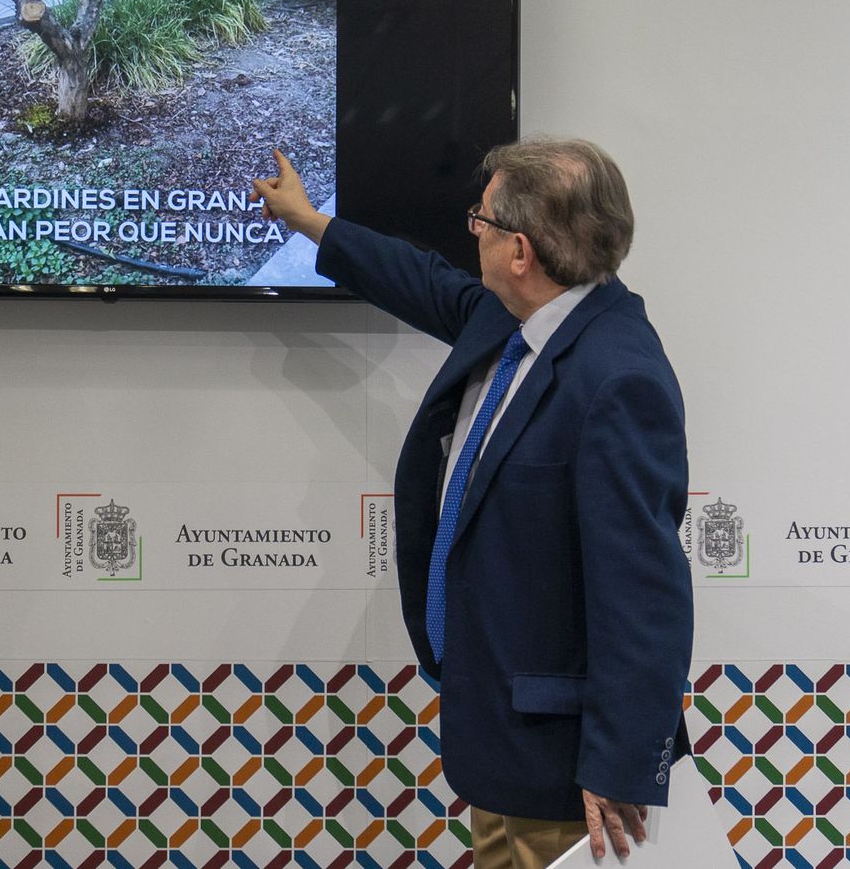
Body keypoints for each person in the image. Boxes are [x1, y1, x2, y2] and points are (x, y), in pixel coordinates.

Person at [255, 139, 693, 869]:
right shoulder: (517, 320)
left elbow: (644, 597)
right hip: (502, 747)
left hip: (569, 781)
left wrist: (618, 769)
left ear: (519, 250)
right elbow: (422, 281)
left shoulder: (617, 378)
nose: (472, 232)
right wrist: (310, 222)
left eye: (480, 221)